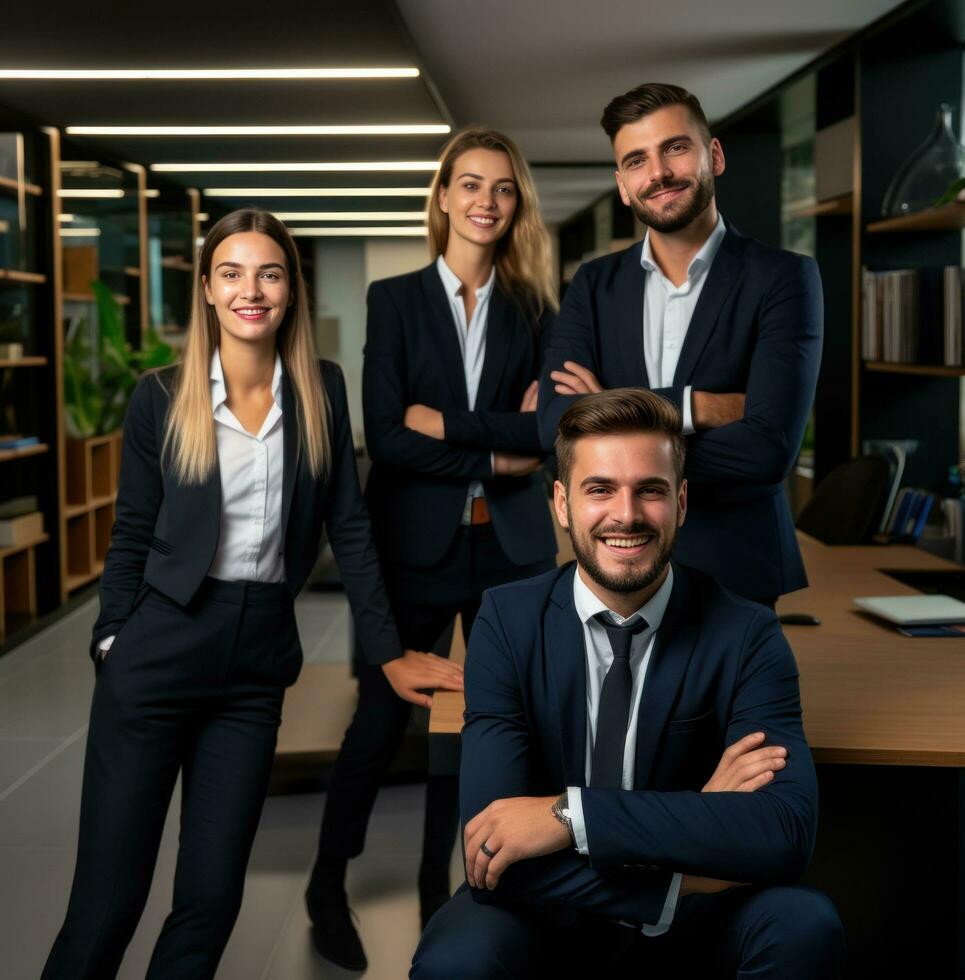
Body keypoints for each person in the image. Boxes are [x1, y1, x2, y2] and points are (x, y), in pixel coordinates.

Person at [42, 209, 408, 980]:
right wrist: (113, 638)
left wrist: (386, 653)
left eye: (270, 273)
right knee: (108, 902)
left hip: (254, 665)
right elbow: (132, 532)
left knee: (209, 901)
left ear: (290, 290)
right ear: (207, 288)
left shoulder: (322, 392)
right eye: (233, 273)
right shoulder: (160, 398)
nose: (252, 290)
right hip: (160, 646)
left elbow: (350, 526)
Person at [412, 388, 844, 979]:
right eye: (600, 489)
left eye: (651, 489)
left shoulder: (747, 633)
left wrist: (571, 815)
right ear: (561, 503)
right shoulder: (507, 622)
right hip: (543, 916)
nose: (627, 514)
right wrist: (697, 824)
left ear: (682, 502)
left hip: (699, 925)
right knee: (455, 960)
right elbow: (491, 854)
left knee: (804, 924)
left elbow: (785, 834)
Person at [306, 126, 559, 970]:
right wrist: (500, 452)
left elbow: (546, 431)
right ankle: (325, 885)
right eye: (470, 184)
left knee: (491, 723)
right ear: (444, 197)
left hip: (510, 549)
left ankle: (449, 883)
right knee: (378, 727)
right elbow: (385, 435)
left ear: (514, 205)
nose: (486, 201)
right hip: (412, 545)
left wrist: (453, 427)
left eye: (503, 188)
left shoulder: (537, 311)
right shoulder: (396, 299)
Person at [538, 82, 823, 606]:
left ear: (712, 155)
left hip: (735, 564)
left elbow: (769, 450)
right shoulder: (592, 285)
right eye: (637, 160)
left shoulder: (784, 278)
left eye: (675, 147)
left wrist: (607, 406)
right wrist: (699, 406)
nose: (659, 173)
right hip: (615, 565)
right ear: (622, 184)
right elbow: (553, 426)